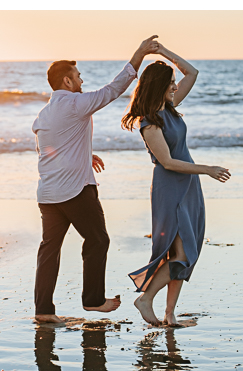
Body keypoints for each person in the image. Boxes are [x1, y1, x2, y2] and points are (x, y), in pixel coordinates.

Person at [32, 36, 160, 324]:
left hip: (48, 194)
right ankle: (92, 300)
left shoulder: (44, 114)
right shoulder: (75, 103)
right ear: (66, 82)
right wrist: (138, 54)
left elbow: (49, 148)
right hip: (75, 191)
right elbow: (113, 90)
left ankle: (43, 310)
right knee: (98, 239)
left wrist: (84, 155)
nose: (81, 80)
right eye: (77, 76)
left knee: (49, 250)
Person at [122, 46, 232, 326]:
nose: (175, 85)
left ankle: (170, 314)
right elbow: (168, 162)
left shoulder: (169, 107)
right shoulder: (150, 123)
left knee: (184, 252)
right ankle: (145, 299)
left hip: (189, 185)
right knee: (182, 254)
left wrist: (164, 52)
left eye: (173, 82)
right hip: (170, 189)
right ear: (159, 86)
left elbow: (192, 72)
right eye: (170, 82)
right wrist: (207, 169)